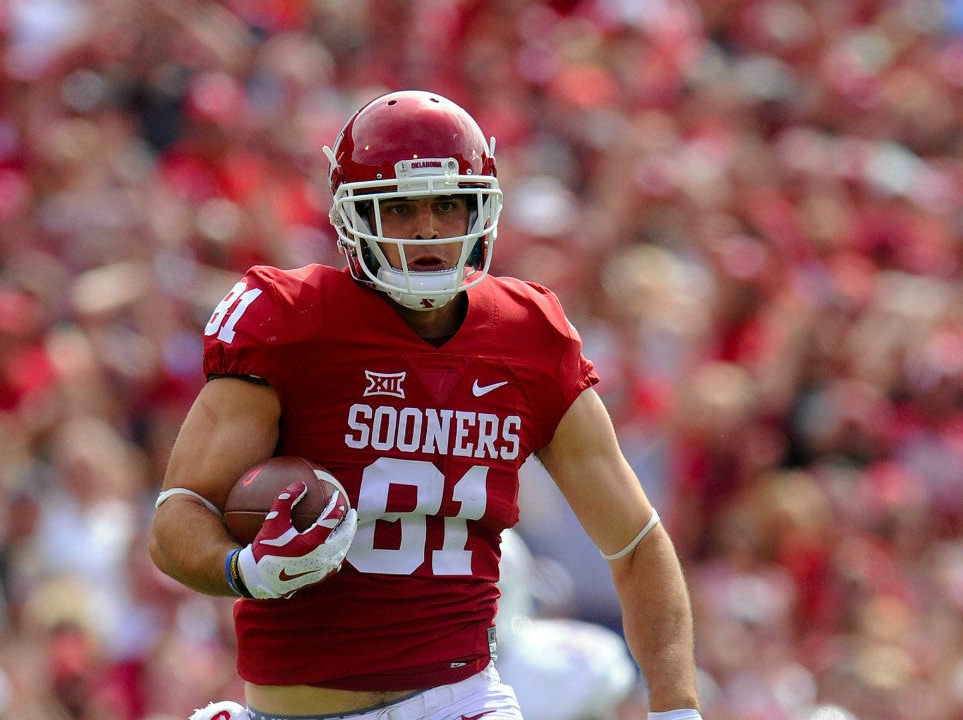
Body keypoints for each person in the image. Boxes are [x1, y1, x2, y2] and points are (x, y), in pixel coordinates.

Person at [148, 90, 701, 720]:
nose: (430, 230)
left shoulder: (530, 334)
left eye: (448, 204)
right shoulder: (292, 322)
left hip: (458, 701)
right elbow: (179, 512)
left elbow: (635, 542)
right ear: (353, 218)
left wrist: (677, 708)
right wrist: (243, 569)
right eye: (401, 208)